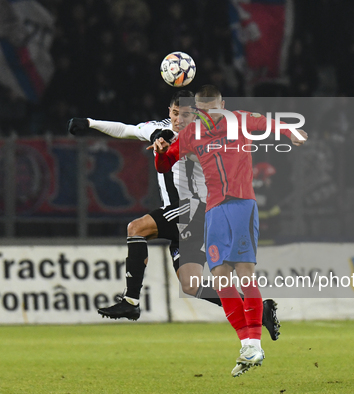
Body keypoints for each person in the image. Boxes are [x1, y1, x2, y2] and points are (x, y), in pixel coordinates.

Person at [67, 91, 280, 341]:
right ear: (169, 112)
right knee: (190, 285)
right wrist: (90, 123)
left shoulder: (205, 134)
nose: (180, 119)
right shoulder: (160, 128)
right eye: (175, 113)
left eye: (186, 114)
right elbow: (125, 130)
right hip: (180, 214)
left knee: (136, 228)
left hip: (196, 208)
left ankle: (131, 300)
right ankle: (257, 309)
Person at [152, 85, 307, 377]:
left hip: (241, 206)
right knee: (221, 278)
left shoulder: (240, 120)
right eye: (204, 109)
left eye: (214, 107)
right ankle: (247, 345)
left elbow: (269, 123)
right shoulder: (191, 134)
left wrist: (290, 131)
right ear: (198, 110)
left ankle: (254, 343)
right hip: (214, 211)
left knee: (244, 273)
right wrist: (160, 153)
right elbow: (165, 164)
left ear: (223, 104)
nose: (210, 113)